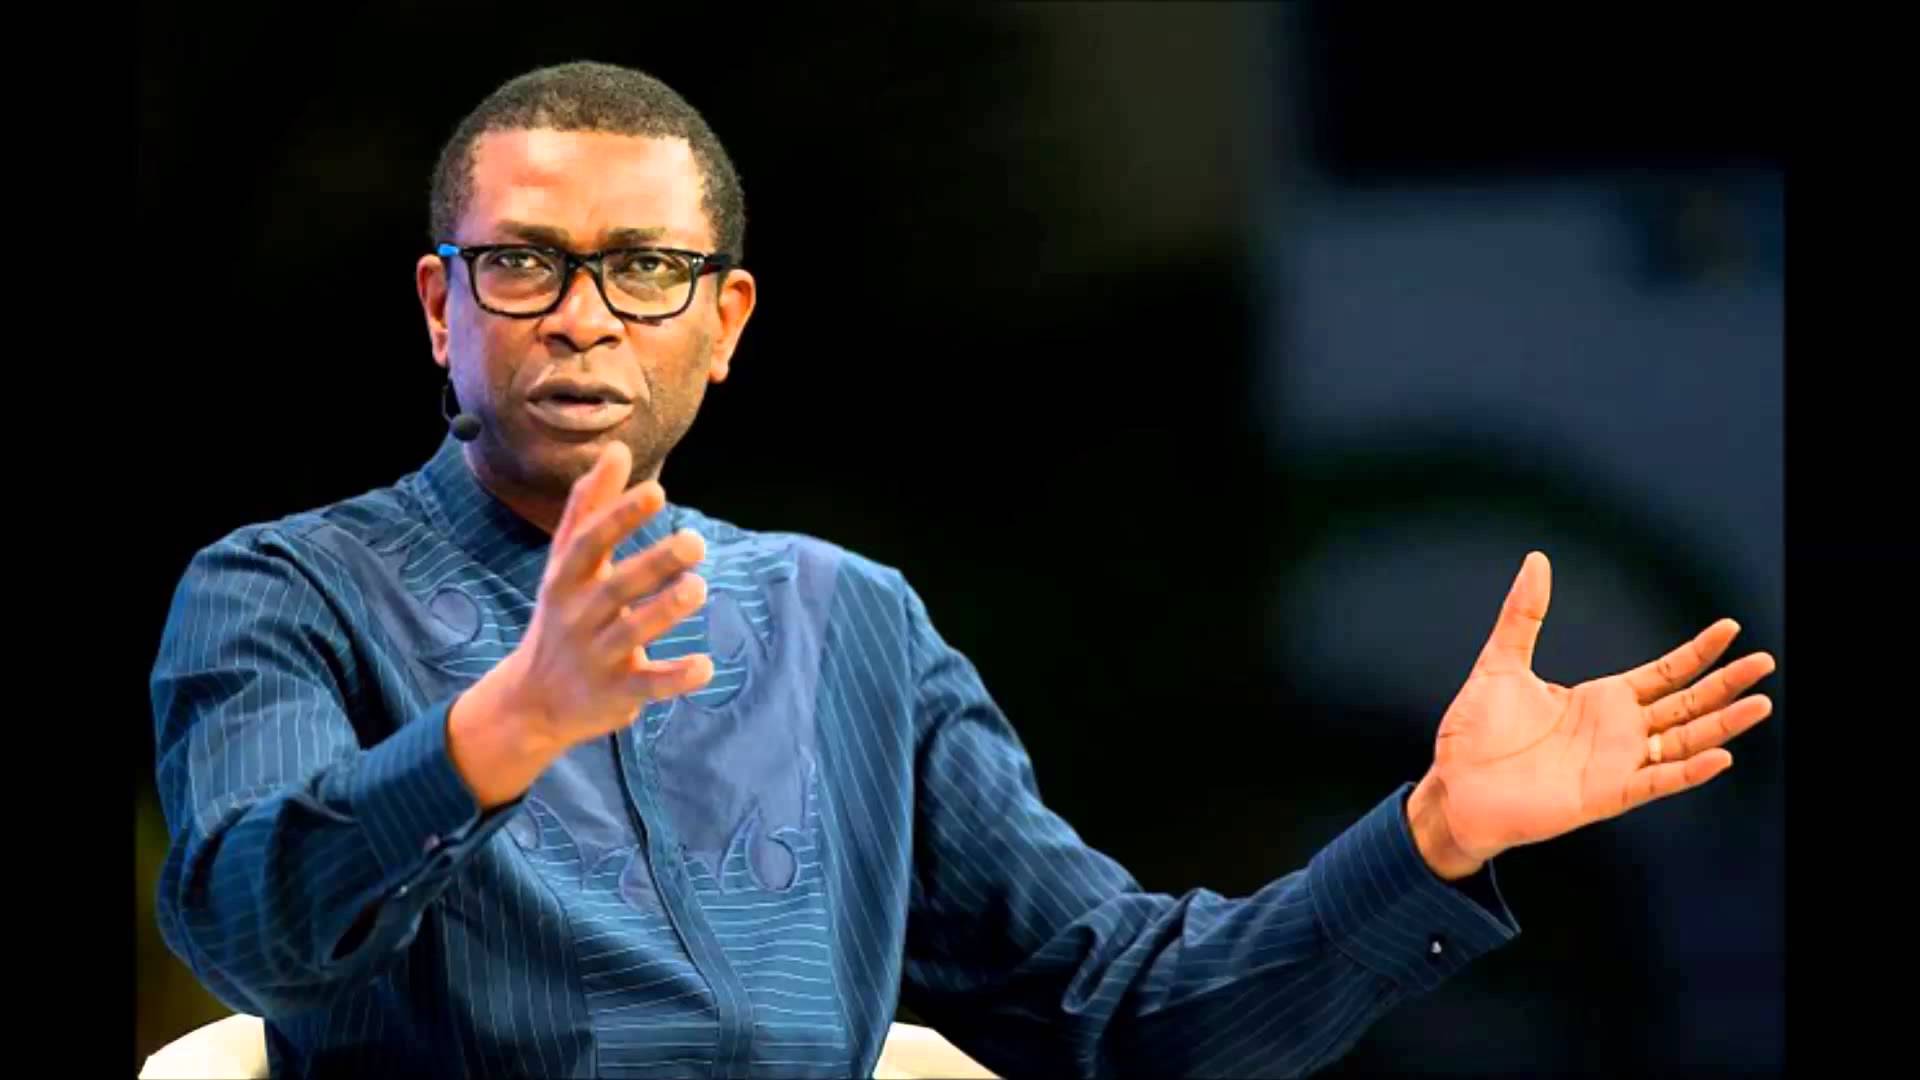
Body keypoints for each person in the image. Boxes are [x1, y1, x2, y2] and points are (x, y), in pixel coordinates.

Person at [150, 61, 1777, 1079]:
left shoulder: (847, 623)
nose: (583, 316)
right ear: (441, 306)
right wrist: (501, 728)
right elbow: (245, 929)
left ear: (725, 324)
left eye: (644, 268)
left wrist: (1435, 835)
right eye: (524, 264)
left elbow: (1125, 1013)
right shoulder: (287, 592)